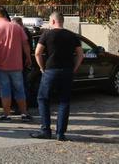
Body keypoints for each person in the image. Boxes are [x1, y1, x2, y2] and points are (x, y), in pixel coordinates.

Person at [30, 11, 84, 141]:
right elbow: (80, 54)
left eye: (49, 20)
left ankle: (46, 130)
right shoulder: (72, 35)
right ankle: (60, 133)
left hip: (51, 71)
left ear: (53, 21)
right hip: (67, 71)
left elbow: (37, 53)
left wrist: (42, 68)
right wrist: (74, 68)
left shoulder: (47, 34)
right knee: (64, 101)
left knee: (43, 99)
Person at [0, 7, 32, 122]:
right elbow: (25, 44)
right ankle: (24, 113)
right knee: (19, 89)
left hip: (0, 65)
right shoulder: (17, 27)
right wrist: (28, 58)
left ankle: (6, 115)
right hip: (16, 65)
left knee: (5, 90)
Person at [12, 16, 34, 106]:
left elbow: (26, 46)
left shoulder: (23, 32)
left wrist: (27, 58)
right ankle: (25, 104)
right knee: (23, 83)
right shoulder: (26, 31)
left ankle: (24, 105)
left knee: (21, 85)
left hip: (21, 61)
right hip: (22, 60)